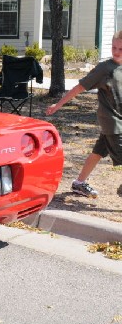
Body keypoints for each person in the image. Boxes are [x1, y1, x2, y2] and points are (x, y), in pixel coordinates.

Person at [46, 30, 122, 198]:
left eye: (120, 49)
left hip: (118, 121)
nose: (116, 52)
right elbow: (80, 87)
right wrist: (58, 104)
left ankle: (79, 183)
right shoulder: (104, 68)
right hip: (112, 122)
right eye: (114, 47)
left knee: (98, 152)